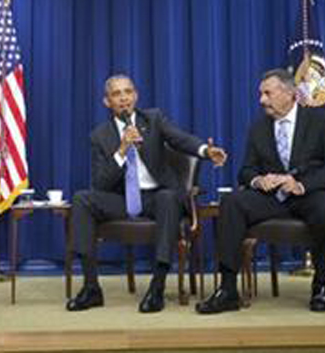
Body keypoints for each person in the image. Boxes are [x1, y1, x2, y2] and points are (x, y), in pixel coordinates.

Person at [67, 74, 227, 313]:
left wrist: (206, 150)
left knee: (167, 197)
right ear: (106, 101)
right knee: (82, 199)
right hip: (123, 199)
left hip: (156, 196)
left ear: (136, 96)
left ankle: (157, 287)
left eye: (128, 92)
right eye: (116, 94)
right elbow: (100, 183)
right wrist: (121, 150)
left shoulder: (153, 119)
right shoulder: (100, 136)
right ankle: (91, 288)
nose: (123, 98)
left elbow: (180, 139)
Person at [196, 68, 325, 314]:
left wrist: (301, 185)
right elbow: (245, 170)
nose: (261, 100)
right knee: (232, 202)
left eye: (267, 93)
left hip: (308, 194)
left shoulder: (320, 121)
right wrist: (258, 180)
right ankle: (228, 289)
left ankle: (320, 285)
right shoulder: (259, 128)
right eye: (260, 94)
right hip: (272, 199)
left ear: (289, 94)